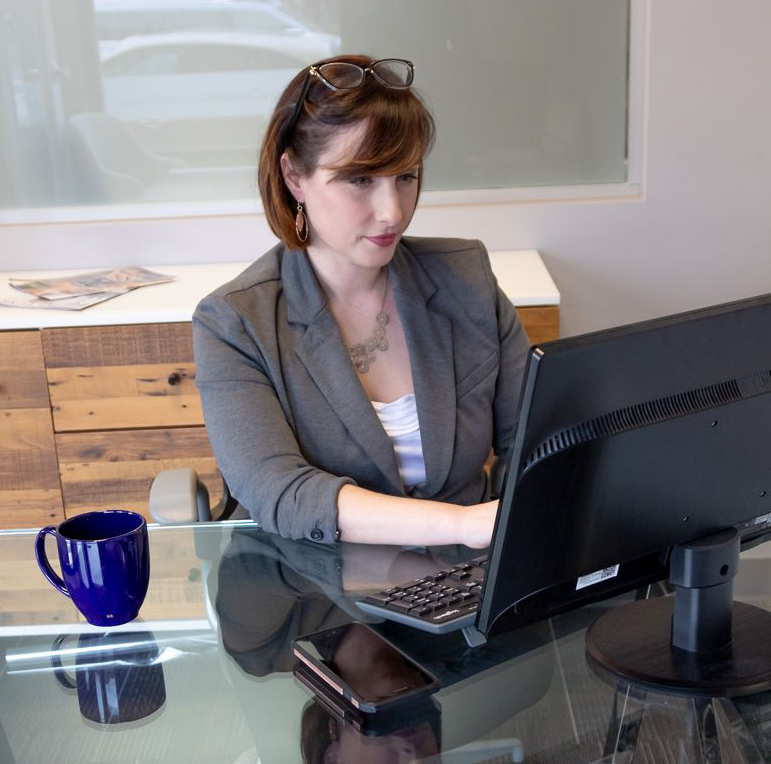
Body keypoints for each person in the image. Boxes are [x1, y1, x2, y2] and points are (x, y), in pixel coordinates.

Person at [193, 54, 530, 548]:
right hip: (316, 594)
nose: (392, 211)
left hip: (463, 580)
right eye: (360, 179)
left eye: (407, 177)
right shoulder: (236, 322)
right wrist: (462, 525)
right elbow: (280, 491)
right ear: (294, 178)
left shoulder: (466, 278)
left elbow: (539, 440)